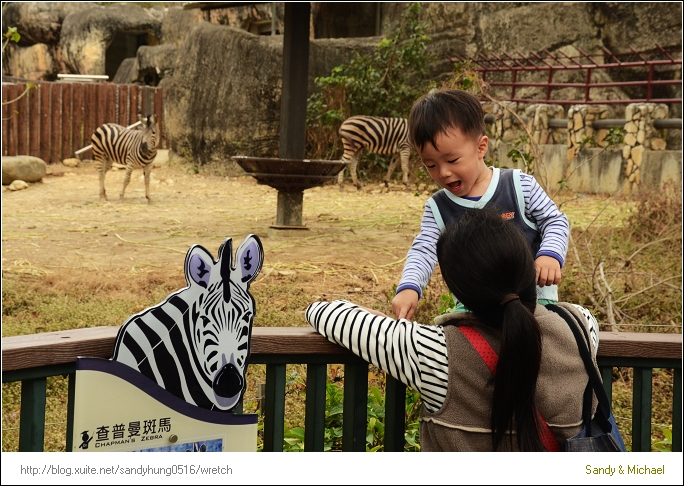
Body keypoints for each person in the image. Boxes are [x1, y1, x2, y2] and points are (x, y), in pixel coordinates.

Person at [306, 209, 602, 451]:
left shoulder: (436, 352)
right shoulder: (580, 326)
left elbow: (322, 312)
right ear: (527, 266)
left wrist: (382, 322)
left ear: (459, 291)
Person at [392, 89, 569, 320]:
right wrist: (409, 287)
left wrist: (550, 255)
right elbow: (424, 249)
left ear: (481, 147)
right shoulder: (438, 208)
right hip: (472, 312)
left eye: (452, 160)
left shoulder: (519, 186)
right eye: (430, 165)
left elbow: (555, 221)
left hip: (535, 304)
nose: (443, 173)